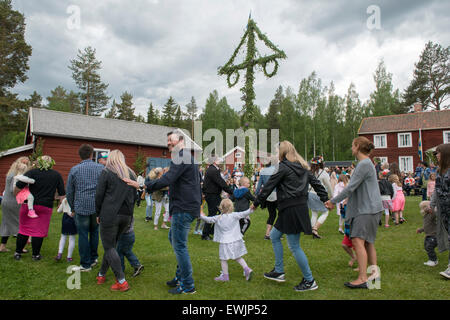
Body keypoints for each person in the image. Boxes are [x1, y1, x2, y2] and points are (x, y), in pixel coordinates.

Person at [125, 131, 202, 294]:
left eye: (171, 140)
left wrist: (144, 186)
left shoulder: (181, 156)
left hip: (184, 207)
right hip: (187, 206)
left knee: (180, 246)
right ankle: (180, 276)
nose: (168, 143)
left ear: (181, 140)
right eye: (167, 141)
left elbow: (167, 179)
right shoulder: (186, 157)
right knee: (172, 238)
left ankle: (188, 285)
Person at [253, 141, 328, 292]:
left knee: (294, 246)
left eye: (277, 151)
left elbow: (269, 186)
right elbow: (317, 184)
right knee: (274, 236)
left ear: (282, 152)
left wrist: (256, 203)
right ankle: (279, 271)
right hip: (291, 209)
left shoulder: (283, 168)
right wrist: (325, 198)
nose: (276, 154)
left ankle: (309, 280)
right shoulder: (303, 167)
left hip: (292, 209)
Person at [326, 137, 383, 289]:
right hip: (371, 208)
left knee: (358, 241)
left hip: (366, 209)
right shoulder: (366, 163)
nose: (351, 148)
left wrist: (332, 201)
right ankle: (374, 276)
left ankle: (363, 278)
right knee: (368, 242)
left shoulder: (364, 164)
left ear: (357, 147)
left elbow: (350, 188)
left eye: (352, 145)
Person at [95, 150, 138, 292]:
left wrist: (98, 212)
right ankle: (101, 274)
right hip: (126, 216)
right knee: (111, 246)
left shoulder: (107, 172)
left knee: (108, 247)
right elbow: (135, 196)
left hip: (110, 214)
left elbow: (99, 195)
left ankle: (121, 281)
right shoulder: (131, 173)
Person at [14, 156, 66, 261]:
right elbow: (62, 193)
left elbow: (19, 185)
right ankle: (35, 255)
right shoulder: (56, 175)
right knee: (39, 231)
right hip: (45, 206)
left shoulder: (32, 173)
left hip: (28, 205)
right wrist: (61, 204)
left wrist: (17, 195)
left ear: (38, 163)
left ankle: (18, 253)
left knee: (24, 229)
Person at [66, 144, 104, 272]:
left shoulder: (74, 170)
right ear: (91, 154)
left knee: (83, 234)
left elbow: (70, 191)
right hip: (96, 207)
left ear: (80, 155)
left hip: (81, 206)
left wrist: (72, 207)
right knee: (94, 232)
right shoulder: (101, 168)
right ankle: (93, 258)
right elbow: (105, 188)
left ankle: (86, 264)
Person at [199, 199, 254, 282]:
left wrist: (200, 215)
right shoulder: (235, 215)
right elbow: (246, 213)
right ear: (231, 207)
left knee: (223, 259)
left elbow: (208, 220)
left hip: (225, 242)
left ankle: (225, 276)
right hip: (236, 240)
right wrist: (252, 208)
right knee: (238, 257)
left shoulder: (218, 218)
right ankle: (247, 269)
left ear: (221, 207)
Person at [0, 157, 31, 253]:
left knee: (6, 223)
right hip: (14, 203)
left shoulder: (10, 173)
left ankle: (2, 246)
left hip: (5, 202)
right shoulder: (17, 175)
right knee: (20, 224)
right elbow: (12, 190)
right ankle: (20, 248)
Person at [201, 156, 233, 241]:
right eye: (218, 159)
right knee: (213, 214)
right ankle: (205, 234)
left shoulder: (213, 169)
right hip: (212, 195)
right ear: (214, 161)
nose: (220, 161)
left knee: (220, 212)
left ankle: (211, 231)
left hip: (213, 194)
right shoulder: (213, 170)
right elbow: (221, 182)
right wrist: (231, 191)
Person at [433, 143, 450, 279]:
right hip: (444, 211)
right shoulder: (440, 171)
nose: (436, 156)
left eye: (438, 153)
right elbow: (437, 192)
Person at [308, 156, 333, 239]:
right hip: (318, 194)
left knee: (314, 213)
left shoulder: (310, 172)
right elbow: (329, 186)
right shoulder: (324, 173)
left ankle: (312, 229)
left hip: (309, 194)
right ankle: (315, 229)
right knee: (326, 212)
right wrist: (332, 197)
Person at [255, 157, 278, 240]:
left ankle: (267, 233)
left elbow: (259, 185)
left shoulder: (262, 171)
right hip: (277, 194)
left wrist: (256, 195)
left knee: (272, 214)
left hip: (267, 195)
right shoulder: (276, 170)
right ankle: (277, 233)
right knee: (282, 214)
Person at [416, 201, 438, 267]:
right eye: (423, 208)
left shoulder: (432, 214)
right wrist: (421, 230)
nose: (424, 209)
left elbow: (435, 214)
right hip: (428, 235)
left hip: (434, 235)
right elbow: (426, 226)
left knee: (429, 247)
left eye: (426, 207)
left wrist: (433, 209)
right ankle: (432, 259)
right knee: (426, 246)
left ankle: (433, 260)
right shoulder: (426, 215)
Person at [55, 198, 77, 262]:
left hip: (65, 219)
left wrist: (60, 207)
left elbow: (58, 211)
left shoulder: (65, 199)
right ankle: (69, 257)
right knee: (72, 238)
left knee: (63, 236)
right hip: (73, 219)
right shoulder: (76, 199)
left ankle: (59, 253)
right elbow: (73, 213)